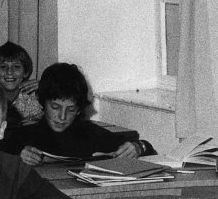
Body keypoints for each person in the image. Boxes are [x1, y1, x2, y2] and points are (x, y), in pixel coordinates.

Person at [8, 63, 155, 165]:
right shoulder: (24, 136)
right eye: (55, 107)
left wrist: (137, 147)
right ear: (42, 102)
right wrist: (16, 156)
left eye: (71, 109)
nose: (62, 117)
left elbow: (147, 147)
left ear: (79, 109)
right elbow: (0, 152)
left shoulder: (89, 133)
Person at [0, 41, 42, 128]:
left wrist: (36, 123)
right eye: (3, 67)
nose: (9, 72)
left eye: (16, 67)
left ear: (25, 72)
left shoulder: (30, 103)